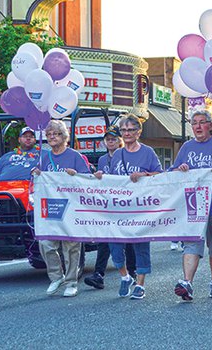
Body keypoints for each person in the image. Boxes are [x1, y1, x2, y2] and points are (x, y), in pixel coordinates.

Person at [170, 110, 212, 300]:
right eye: (194, 123)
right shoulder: (186, 147)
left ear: (210, 125)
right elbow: (173, 171)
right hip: (194, 205)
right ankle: (187, 283)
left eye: (202, 122)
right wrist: (180, 169)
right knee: (191, 244)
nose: (198, 126)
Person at [107, 114, 162, 299]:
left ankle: (140, 283)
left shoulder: (148, 152)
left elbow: (159, 175)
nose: (127, 133)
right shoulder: (117, 155)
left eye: (131, 130)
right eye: (124, 130)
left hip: (140, 208)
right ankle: (125, 276)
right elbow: (112, 180)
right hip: (120, 208)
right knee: (114, 243)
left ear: (138, 132)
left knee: (140, 245)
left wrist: (144, 175)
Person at [34, 120, 91, 298]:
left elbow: (87, 178)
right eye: (49, 134)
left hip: (71, 207)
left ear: (64, 137)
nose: (52, 137)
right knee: (46, 243)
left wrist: (76, 175)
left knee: (71, 246)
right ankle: (56, 277)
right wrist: (36, 173)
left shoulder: (75, 156)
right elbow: (41, 180)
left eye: (56, 134)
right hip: (50, 208)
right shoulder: (44, 157)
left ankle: (71, 282)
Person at [84, 125, 137, 290]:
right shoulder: (102, 160)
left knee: (127, 239)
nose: (111, 141)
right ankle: (99, 274)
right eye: (108, 139)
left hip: (126, 203)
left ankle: (132, 272)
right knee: (104, 238)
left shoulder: (127, 157)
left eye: (114, 138)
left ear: (120, 141)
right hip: (108, 204)